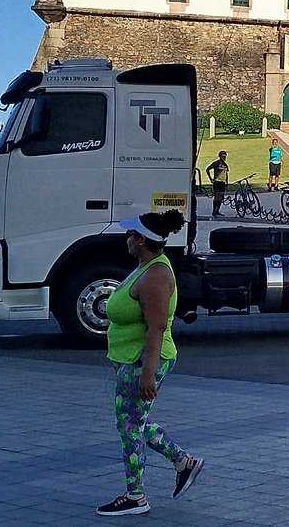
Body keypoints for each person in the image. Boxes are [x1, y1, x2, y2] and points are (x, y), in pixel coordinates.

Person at [98, 210, 204, 516]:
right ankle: (183, 462)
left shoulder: (156, 275)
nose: (127, 239)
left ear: (142, 240)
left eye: (131, 235)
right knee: (132, 422)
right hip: (131, 361)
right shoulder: (145, 267)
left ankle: (136, 497)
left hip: (143, 362)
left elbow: (156, 328)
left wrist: (147, 373)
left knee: (130, 427)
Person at [206, 151, 229, 217]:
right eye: (223, 156)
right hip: (217, 182)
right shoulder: (216, 163)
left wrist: (227, 183)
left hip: (223, 183)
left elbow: (226, 174)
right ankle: (214, 212)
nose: (224, 158)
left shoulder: (225, 165)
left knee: (221, 197)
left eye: (225, 156)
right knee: (216, 197)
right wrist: (210, 179)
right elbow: (207, 169)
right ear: (220, 156)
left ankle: (217, 210)